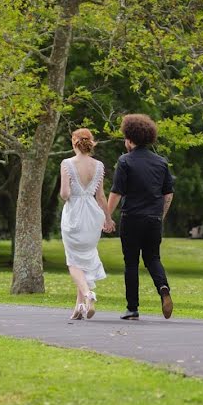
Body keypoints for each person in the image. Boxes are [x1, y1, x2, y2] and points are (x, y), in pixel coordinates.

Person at [106, 114, 175, 320]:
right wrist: (159, 216)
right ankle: (163, 287)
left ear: (129, 139)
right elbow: (168, 194)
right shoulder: (161, 163)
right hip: (153, 218)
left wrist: (106, 216)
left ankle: (132, 308)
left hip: (132, 217)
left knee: (131, 263)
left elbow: (117, 192)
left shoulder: (125, 161)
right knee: (153, 257)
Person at [60, 128, 116, 320]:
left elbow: (65, 194)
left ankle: (88, 294)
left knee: (73, 261)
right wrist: (108, 219)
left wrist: (67, 194)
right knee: (84, 258)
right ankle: (79, 307)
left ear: (74, 142)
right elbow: (101, 196)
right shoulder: (98, 165)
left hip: (74, 213)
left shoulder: (67, 163)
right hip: (93, 215)